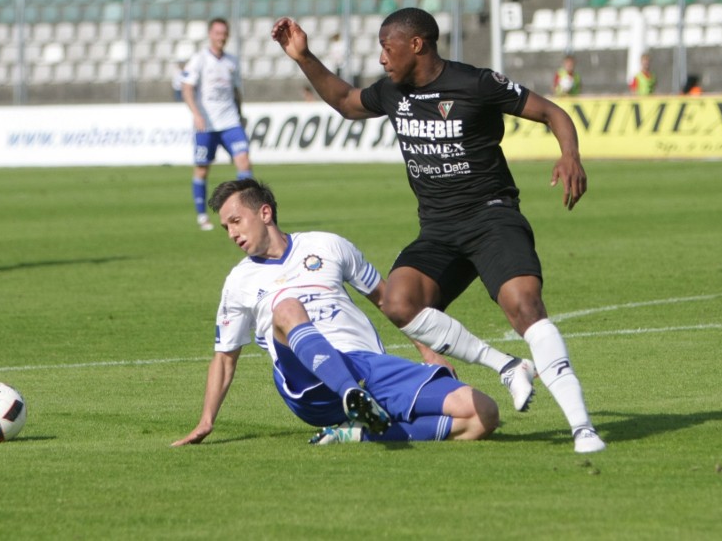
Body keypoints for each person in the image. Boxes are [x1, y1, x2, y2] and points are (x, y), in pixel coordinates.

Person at [271, 8, 606, 453]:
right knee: (398, 301)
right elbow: (346, 102)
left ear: (417, 44)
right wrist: (303, 56)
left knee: (523, 305)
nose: (382, 58)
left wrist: (570, 155)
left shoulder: (476, 83)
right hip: (439, 230)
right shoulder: (392, 92)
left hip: (491, 218)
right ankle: (508, 367)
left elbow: (552, 112)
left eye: (387, 47)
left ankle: (582, 426)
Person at [171, 178, 500, 446]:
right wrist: (206, 421)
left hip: (369, 366)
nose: (231, 234)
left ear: (265, 213)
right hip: (308, 382)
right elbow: (225, 358)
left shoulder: (328, 245)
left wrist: (428, 352)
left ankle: (360, 431)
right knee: (285, 308)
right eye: (226, 227)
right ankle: (351, 396)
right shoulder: (238, 282)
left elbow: (388, 300)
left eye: (235, 221)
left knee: (482, 414)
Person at [181, 18, 253, 232]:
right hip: (207, 124)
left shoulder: (232, 62)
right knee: (202, 169)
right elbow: (186, 88)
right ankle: (202, 215)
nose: (221, 37)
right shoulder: (199, 60)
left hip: (230, 121)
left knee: (244, 162)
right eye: (217, 33)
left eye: (224, 33)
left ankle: (246, 210)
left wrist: (240, 114)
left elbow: (236, 91)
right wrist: (196, 114)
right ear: (210, 34)